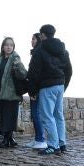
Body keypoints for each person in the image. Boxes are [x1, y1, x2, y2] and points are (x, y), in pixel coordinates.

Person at [27, 24, 72, 156]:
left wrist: (32, 91)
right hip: (59, 85)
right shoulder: (63, 50)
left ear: (42, 35)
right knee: (58, 115)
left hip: (47, 86)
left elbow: (34, 72)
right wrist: (64, 85)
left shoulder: (40, 50)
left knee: (47, 116)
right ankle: (62, 144)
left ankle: (53, 145)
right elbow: (69, 70)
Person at [0, 37, 29, 148]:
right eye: (6, 45)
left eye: (11, 45)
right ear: (3, 47)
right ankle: (10, 139)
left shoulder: (15, 58)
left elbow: (23, 74)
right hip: (0, 92)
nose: (9, 47)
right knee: (4, 116)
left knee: (10, 117)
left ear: (13, 47)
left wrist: (18, 64)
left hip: (12, 93)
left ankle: (6, 140)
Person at [27, 33, 46, 149]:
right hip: (36, 88)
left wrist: (33, 91)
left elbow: (36, 73)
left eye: (33, 39)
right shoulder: (37, 52)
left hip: (36, 89)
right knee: (35, 114)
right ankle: (37, 139)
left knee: (36, 114)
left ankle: (40, 139)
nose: (31, 41)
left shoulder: (38, 53)